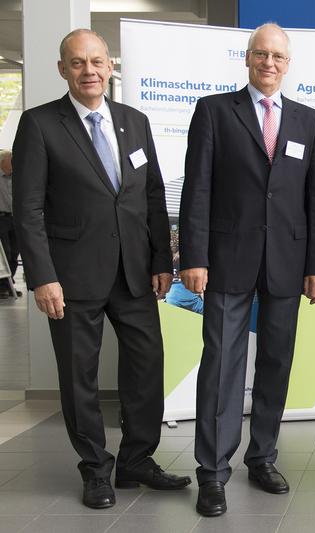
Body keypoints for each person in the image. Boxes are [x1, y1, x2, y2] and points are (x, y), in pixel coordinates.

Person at [11, 29, 190, 509]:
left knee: (147, 368)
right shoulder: (40, 124)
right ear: (62, 70)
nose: (88, 71)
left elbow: (152, 195)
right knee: (79, 376)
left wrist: (160, 260)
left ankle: (136, 460)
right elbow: (28, 209)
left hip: (135, 272)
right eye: (77, 63)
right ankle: (95, 468)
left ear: (111, 66)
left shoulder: (135, 120)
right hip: (71, 276)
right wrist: (42, 275)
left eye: (96, 61)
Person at [179, 22, 315, 517]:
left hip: (288, 263)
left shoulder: (308, 120)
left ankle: (262, 456)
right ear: (247, 59)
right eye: (261, 55)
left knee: (276, 364)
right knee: (222, 365)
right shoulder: (215, 111)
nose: (269, 63)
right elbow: (196, 189)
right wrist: (194, 257)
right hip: (226, 260)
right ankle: (213, 472)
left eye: (278, 57)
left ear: (288, 65)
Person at [0, 150, 19, 297]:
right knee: (5, 252)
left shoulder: (16, 178)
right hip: (1, 219)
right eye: (11, 160)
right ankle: (2, 286)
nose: (13, 163)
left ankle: (9, 283)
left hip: (15, 219)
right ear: (3, 162)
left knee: (14, 252)